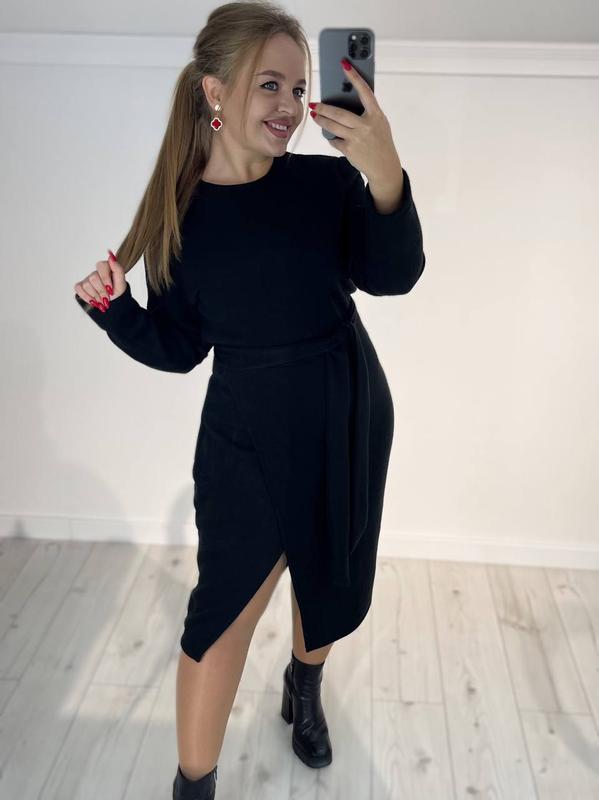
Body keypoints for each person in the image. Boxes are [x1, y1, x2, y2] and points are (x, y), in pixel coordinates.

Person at [72, 2, 426, 798]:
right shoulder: (178, 218)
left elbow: (392, 275)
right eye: (270, 84)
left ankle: (303, 683)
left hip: (346, 405)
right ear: (214, 91)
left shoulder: (327, 182)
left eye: (298, 87)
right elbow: (179, 348)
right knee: (222, 612)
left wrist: (385, 171)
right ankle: (193, 785)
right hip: (247, 429)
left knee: (329, 574)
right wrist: (115, 310)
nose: (290, 105)